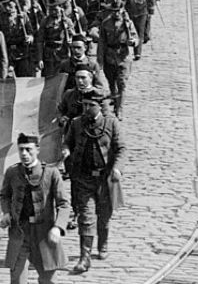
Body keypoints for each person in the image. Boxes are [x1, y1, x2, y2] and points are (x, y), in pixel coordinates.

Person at [62, 97, 123, 271]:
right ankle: (84, 258)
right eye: (84, 105)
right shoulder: (76, 123)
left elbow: (121, 148)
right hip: (83, 178)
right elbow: (68, 141)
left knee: (103, 216)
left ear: (100, 106)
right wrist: (66, 150)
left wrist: (117, 169)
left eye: (91, 105)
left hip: (105, 179)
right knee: (86, 218)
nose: (86, 108)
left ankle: (102, 244)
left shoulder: (111, 124)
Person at [0, 132, 69, 284]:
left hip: (43, 234)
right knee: (17, 279)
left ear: (37, 149)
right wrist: (6, 213)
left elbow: (63, 204)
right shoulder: (12, 172)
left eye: (28, 149)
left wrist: (58, 227)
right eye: (21, 149)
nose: (24, 154)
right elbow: (4, 195)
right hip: (20, 232)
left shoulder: (51, 173)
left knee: (48, 280)